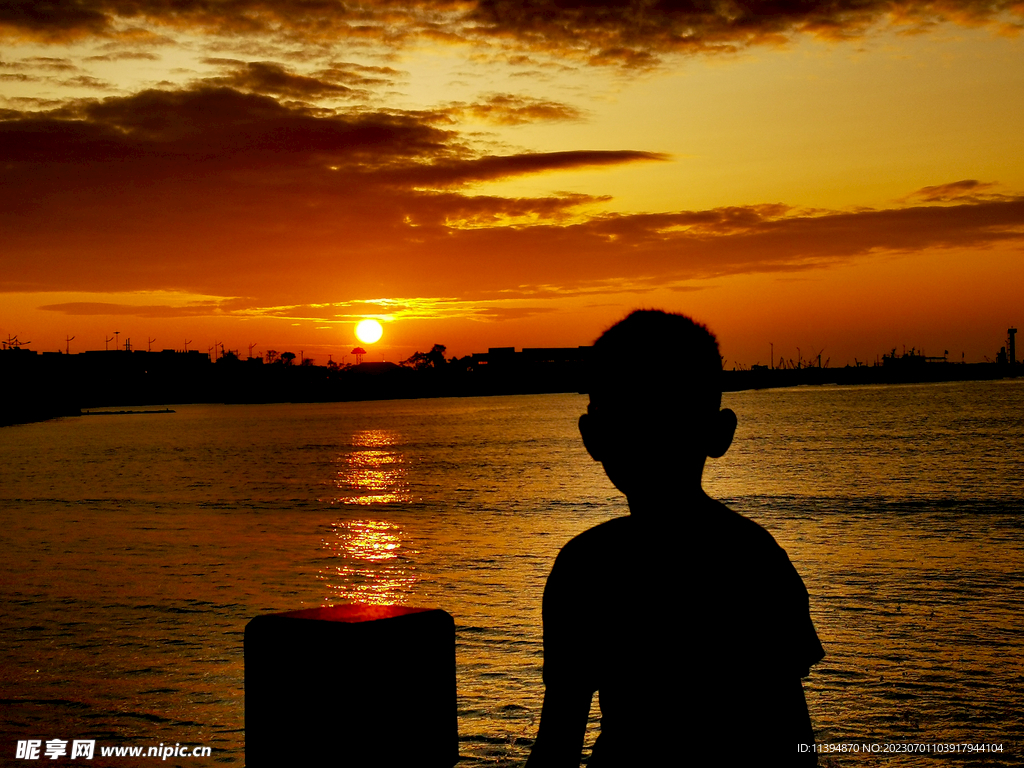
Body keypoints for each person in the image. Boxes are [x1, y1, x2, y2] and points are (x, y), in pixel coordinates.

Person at [526, 310, 825, 767]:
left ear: (593, 438)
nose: (649, 438)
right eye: (634, 417)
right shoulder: (754, 559)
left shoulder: (586, 566)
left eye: (663, 416)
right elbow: (790, 736)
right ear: (719, 433)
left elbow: (557, 744)